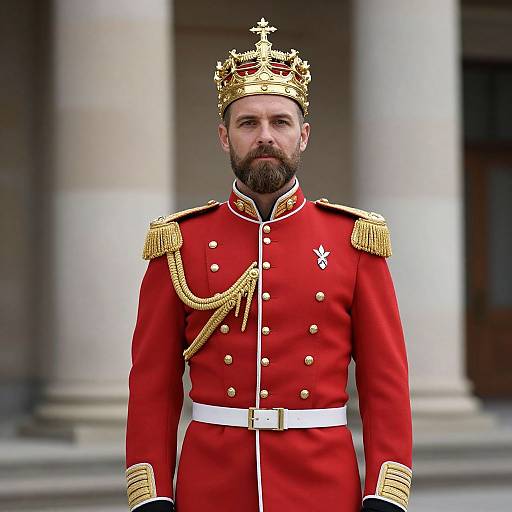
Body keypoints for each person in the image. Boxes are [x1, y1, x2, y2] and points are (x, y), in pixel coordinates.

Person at [125, 18, 412, 512]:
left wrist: (383, 491)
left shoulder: (352, 240)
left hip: (322, 487)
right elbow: (152, 382)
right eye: (248, 123)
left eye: (280, 122)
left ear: (304, 135)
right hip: (211, 488)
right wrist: (152, 493)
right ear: (224, 136)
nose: (265, 136)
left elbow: (385, 381)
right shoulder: (181, 242)